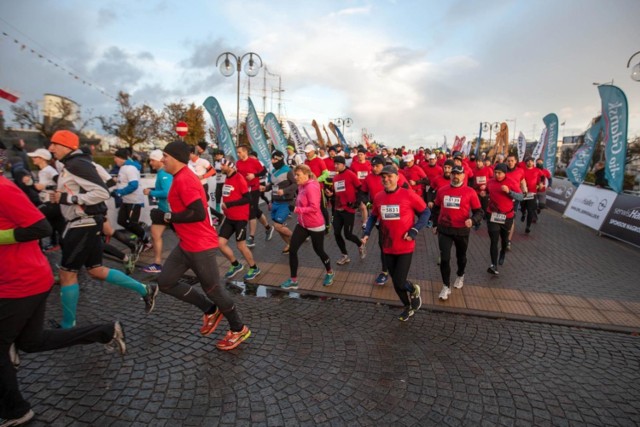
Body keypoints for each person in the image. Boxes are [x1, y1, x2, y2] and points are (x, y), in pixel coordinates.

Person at [0, 175, 126, 427]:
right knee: (33, 342)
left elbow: (42, 227)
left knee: (86, 270)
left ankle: (15, 410)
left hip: (20, 281)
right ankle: (104, 331)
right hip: (24, 279)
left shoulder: (3, 188)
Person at [48, 131, 157, 329]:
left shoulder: (76, 164)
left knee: (67, 274)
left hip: (83, 223)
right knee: (96, 270)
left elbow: (102, 191)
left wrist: (68, 199)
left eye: (54, 144)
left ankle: (67, 327)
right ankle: (145, 289)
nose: (51, 148)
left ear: (66, 146)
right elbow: (107, 182)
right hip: (87, 221)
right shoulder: (82, 163)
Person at [155, 140, 250, 351]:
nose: (162, 160)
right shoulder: (179, 177)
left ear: (177, 158)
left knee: (214, 290)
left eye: (165, 156)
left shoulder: (185, 180)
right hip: (186, 244)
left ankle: (238, 328)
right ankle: (210, 310)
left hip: (201, 245)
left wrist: (167, 216)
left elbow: (197, 212)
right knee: (166, 282)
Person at [362, 165, 430, 321]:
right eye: (383, 177)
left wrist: (414, 230)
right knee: (396, 282)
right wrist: (366, 233)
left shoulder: (408, 195)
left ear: (397, 177)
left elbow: (426, 212)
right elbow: (373, 216)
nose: (386, 179)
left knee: (399, 280)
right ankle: (407, 306)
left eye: (389, 176)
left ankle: (413, 289)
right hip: (387, 245)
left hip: (405, 245)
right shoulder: (378, 197)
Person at [432, 165, 484, 301]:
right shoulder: (442, 190)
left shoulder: (470, 191)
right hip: (445, 229)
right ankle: (445, 286)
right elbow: (436, 208)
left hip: (461, 230)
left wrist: (472, 220)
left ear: (463, 176)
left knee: (461, 256)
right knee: (444, 258)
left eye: (458, 174)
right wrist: (435, 224)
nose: (455, 176)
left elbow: (479, 212)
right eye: (453, 174)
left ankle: (460, 275)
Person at [280, 164, 335, 289]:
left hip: (315, 225)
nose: (295, 177)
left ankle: (330, 272)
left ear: (306, 175)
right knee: (293, 250)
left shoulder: (311, 187)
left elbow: (314, 208)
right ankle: (293, 280)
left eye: (298, 175)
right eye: (295, 174)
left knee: (319, 251)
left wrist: (296, 209)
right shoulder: (301, 186)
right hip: (302, 224)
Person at [217, 158, 261, 281]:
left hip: (240, 218)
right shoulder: (228, 177)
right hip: (229, 217)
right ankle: (236, 264)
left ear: (229, 166)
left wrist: (229, 205)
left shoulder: (239, 178)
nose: (221, 166)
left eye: (223, 164)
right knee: (220, 243)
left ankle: (254, 267)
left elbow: (248, 198)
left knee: (241, 246)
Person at [328, 155, 367, 265]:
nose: (335, 166)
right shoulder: (335, 178)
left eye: (338, 164)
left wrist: (357, 202)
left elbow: (360, 189)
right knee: (336, 233)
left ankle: (360, 244)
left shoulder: (350, 174)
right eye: (334, 164)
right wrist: (331, 195)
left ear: (343, 164)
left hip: (348, 209)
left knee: (348, 234)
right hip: (337, 210)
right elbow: (336, 193)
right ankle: (345, 255)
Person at [485, 163, 523, 275]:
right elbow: (488, 192)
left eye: (499, 173)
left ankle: (503, 252)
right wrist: (484, 192)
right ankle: (493, 265)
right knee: (494, 240)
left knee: (504, 240)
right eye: (495, 173)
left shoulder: (511, 182)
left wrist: (509, 192)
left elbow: (521, 197)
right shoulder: (490, 182)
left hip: (507, 216)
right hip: (493, 214)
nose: (497, 175)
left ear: (505, 173)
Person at [235, 145, 274, 248]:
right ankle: (268, 228)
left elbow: (264, 171)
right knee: (256, 211)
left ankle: (251, 237)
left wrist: (254, 175)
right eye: (237, 152)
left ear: (245, 151)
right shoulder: (238, 163)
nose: (238, 154)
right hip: (243, 191)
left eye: (239, 152)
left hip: (254, 189)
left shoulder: (254, 161)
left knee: (251, 213)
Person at [111, 148, 149, 251]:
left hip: (134, 200)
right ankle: (140, 231)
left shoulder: (130, 168)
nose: (114, 160)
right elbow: (123, 181)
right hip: (126, 200)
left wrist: (119, 192)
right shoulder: (123, 167)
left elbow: (134, 185)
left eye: (115, 158)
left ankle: (146, 240)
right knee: (121, 221)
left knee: (131, 223)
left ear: (120, 158)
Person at [142, 149, 173, 274]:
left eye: (152, 160)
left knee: (184, 239)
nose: (150, 163)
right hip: (163, 210)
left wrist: (151, 192)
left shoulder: (164, 173)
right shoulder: (162, 172)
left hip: (169, 211)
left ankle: (194, 259)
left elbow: (167, 193)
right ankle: (157, 263)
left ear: (160, 160)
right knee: (155, 234)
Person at [262, 150, 296, 254]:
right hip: (276, 202)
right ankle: (290, 245)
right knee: (278, 227)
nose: (273, 161)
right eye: (272, 159)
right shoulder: (273, 172)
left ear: (281, 159)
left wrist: (284, 191)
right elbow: (272, 186)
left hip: (286, 202)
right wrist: (265, 188)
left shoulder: (288, 170)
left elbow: (295, 184)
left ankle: (297, 238)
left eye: (275, 159)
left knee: (277, 225)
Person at [521, 156, 545, 233]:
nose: (530, 162)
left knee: (530, 210)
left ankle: (528, 226)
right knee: (522, 207)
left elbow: (543, 176)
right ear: (526, 162)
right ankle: (523, 213)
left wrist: (540, 183)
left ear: (533, 162)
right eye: (528, 161)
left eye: (531, 161)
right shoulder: (522, 170)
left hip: (532, 193)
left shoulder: (537, 170)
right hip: (523, 192)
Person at [350, 147, 372, 227]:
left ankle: (365, 220)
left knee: (364, 205)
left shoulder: (369, 164)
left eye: (361, 154)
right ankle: (365, 221)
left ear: (365, 155)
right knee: (362, 206)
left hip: (368, 187)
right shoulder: (353, 164)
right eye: (358, 154)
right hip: (358, 187)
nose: (359, 156)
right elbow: (351, 176)